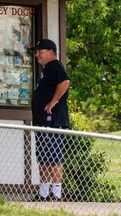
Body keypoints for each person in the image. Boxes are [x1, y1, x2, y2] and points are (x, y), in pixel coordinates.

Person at [30, 38, 70, 202]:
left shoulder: (56, 66)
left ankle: (56, 193)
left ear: (50, 52)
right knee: (43, 157)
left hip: (53, 121)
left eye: (40, 51)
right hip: (42, 121)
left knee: (54, 158)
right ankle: (44, 192)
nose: (37, 55)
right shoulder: (46, 70)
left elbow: (65, 82)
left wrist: (53, 102)